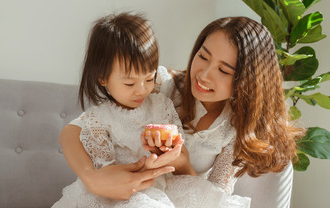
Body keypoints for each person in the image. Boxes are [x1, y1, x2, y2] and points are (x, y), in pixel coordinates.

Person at [59, 16, 301, 206]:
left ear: (248, 81)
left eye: (224, 71)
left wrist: (182, 163)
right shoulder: (161, 85)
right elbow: (74, 130)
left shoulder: (235, 131)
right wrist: (93, 179)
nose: (204, 75)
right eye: (203, 57)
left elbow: (212, 199)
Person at [52, 12, 185, 207]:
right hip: (113, 194)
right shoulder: (99, 118)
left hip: (157, 190)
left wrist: (167, 153)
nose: (142, 90)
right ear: (103, 78)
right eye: (130, 84)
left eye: (149, 79)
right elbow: (106, 173)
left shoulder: (162, 104)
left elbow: (178, 146)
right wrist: (144, 168)